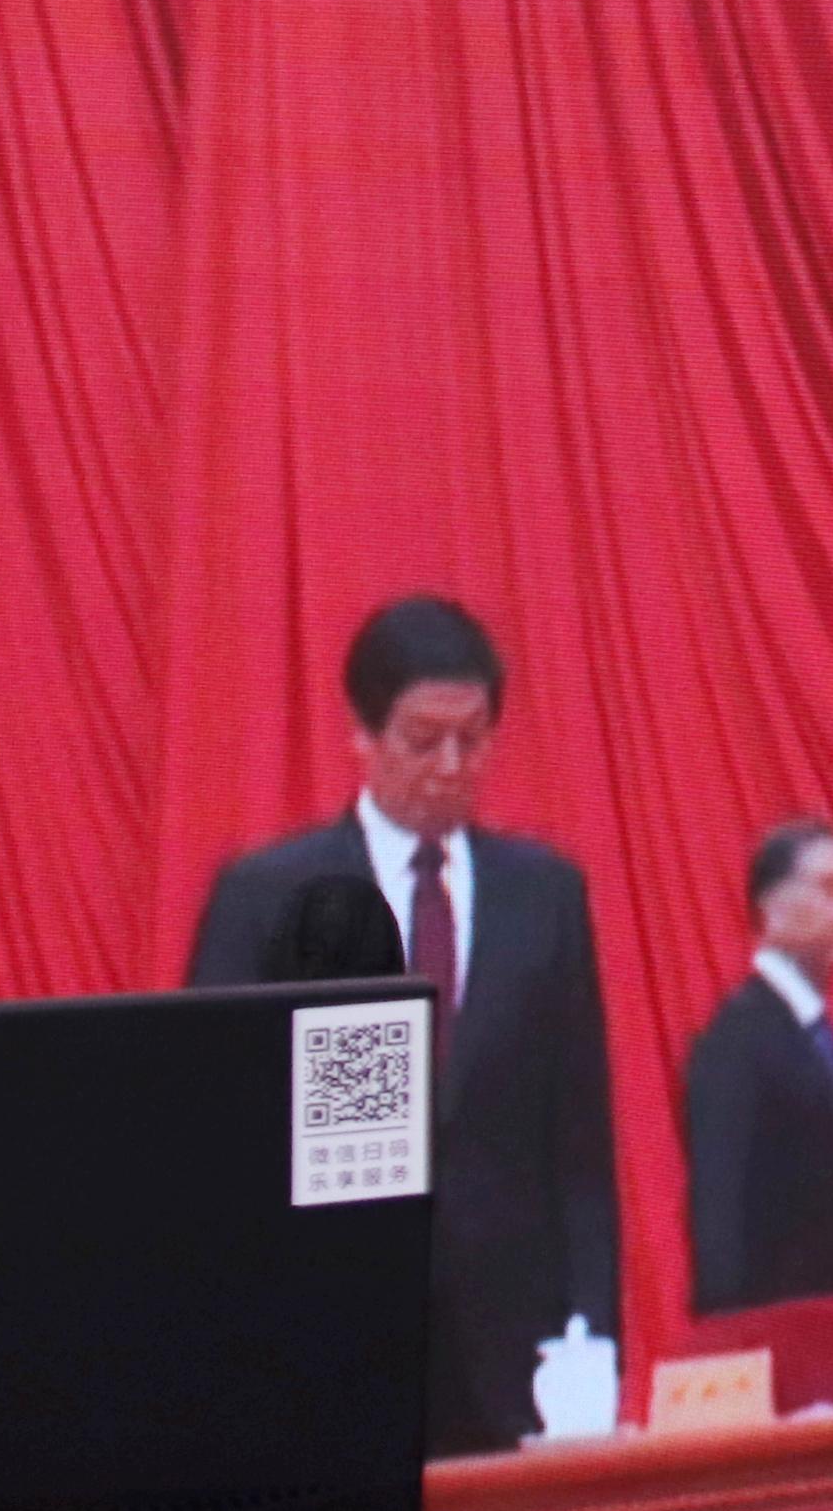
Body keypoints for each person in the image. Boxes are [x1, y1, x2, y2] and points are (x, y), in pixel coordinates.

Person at [188, 596, 622, 1456]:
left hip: (510, 1347)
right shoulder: (269, 897)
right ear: (363, 733)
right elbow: (216, 1141)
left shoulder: (545, 895)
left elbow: (579, 1147)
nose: (450, 767)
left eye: (473, 740)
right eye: (423, 741)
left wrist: (594, 1337)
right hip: (325, 1337)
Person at [682, 817, 833, 1317]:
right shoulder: (736, 1043)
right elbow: (720, 1228)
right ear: (772, 906)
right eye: (829, 889)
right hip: (782, 1334)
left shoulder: (813, 1035)